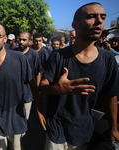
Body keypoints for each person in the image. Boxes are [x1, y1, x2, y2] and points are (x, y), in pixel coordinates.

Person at [39, 2, 119, 150]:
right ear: (75, 24)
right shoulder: (58, 57)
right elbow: (42, 86)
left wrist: (113, 127)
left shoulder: (108, 59)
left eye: (103, 17)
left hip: (84, 130)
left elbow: (111, 95)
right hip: (57, 128)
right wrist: (58, 89)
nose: (99, 21)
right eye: (91, 16)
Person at [0, 24, 40, 150]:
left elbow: (31, 83)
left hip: (15, 115)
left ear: (5, 39)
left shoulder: (19, 58)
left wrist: (39, 108)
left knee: (16, 146)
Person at [17, 31, 42, 120]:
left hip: (27, 94)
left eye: (24, 40)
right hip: (14, 94)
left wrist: (38, 88)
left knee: (24, 120)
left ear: (29, 41)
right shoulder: (12, 53)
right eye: (20, 39)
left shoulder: (34, 55)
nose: (21, 42)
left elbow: (38, 72)